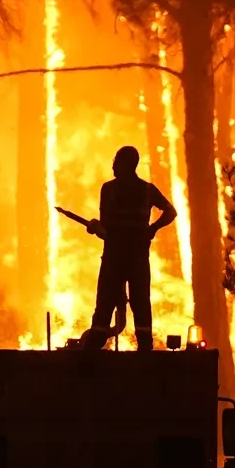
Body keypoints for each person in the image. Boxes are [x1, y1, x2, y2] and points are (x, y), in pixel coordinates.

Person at [84, 146, 177, 351]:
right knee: (140, 302)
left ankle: (93, 348)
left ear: (126, 163)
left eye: (116, 160)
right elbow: (170, 212)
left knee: (106, 303)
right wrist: (152, 228)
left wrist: (95, 226)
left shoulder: (108, 190)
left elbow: (106, 229)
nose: (113, 164)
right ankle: (145, 347)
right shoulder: (147, 190)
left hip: (115, 258)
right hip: (137, 258)